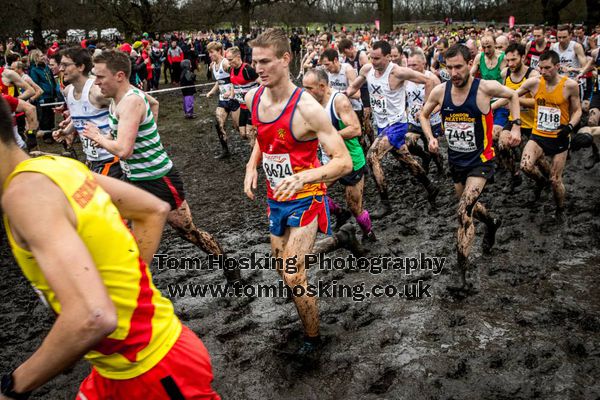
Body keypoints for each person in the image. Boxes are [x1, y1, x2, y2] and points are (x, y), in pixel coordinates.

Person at [0, 97, 221, 400]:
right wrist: (131, 286)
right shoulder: (56, 166)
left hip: (152, 369)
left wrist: (13, 388)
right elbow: (150, 210)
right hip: (118, 368)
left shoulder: (25, 195)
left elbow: (92, 317)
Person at [82, 50, 240, 284]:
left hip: (159, 179)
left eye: (100, 77)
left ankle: (229, 266)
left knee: (188, 232)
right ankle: (129, 284)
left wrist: (99, 137)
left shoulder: (132, 101)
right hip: (134, 179)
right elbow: (154, 103)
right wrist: (147, 130)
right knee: (123, 232)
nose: (96, 83)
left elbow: (124, 150)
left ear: (119, 75)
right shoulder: (116, 98)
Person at [244, 28, 352, 358]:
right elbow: (265, 139)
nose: (258, 68)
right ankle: (338, 241)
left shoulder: (307, 109)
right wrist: (251, 165)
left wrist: (306, 176)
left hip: (307, 198)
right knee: (283, 269)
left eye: (265, 62)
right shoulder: (254, 98)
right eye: (254, 62)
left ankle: (313, 338)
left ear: (285, 59)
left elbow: (343, 162)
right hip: (276, 199)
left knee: (293, 274)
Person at [419, 44, 522, 294]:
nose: (453, 72)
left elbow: (513, 95)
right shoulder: (440, 92)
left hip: (481, 160)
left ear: (470, 63)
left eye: (458, 67)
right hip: (456, 161)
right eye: (449, 67)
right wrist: (430, 137)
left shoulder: (484, 88)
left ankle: (462, 275)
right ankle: (492, 222)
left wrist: (516, 126)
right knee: (470, 208)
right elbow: (422, 115)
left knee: (463, 211)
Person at [345, 40, 439, 219]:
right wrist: (344, 95)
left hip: (397, 125)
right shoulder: (367, 70)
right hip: (381, 124)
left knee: (372, 157)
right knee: (406, 160)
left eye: (378, 58)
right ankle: (430, 187)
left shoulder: (398, 72)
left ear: (388, 57)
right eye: (371, 57)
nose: (373, 62)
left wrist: (425, 108)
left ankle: (385, 203)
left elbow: (428, 81)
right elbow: (355, 85)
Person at [303, 68, 375, 242]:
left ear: (322, 86)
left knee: (355, 207)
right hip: (329, 161)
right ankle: (339, 213)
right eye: (303, 88)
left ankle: (369, 234)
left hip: (351, 161)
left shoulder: (339, 101)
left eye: (308, 88)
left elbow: (356, 129)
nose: (305, 92)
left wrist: (329, 136)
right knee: (312, 193)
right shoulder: (310, 103)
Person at [516, 50, 582, 219]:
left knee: (555, 180)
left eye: (547, 68)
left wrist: (569, 127)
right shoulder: (534, 83)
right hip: (538, 134)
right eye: (541, 68)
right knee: (525, 166)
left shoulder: (570, 85)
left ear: (557, 67)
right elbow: (511, 96)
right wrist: (489, 105)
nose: (543, 72)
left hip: (559, 136)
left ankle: (560, 209)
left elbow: (578, 111)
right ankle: (540, 182)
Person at [52, 47, 122, 178]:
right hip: (92, 159)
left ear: (80, 67)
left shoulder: (97, 92)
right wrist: (66, 131)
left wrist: (115, 136)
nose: (61, 69)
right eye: (61, 65)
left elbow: (130, 105)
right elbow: (80, 117)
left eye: (65, 65)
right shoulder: (67, 91)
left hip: (112, 158)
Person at [493, 42, 539, 192]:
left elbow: (538, 102)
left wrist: (516, 100)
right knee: (502, 144)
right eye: (508, 60)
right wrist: (489, 108)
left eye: (514, 60)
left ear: (523, 57)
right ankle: (515, 176)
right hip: (514, 120)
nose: (510, 64)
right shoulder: (505, 74)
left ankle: (541, 182)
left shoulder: (533, 75)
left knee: (539, 163)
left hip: (534, 122)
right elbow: (505, 97)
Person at [404, 49, 444, 174]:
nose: (411, 68)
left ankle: (439, 165)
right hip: (413, 121)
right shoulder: (406, 78)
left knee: (432, 149)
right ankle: (424, 157)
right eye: (409, 65)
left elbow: (442, 103)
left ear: (424, 63)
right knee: (408, 144)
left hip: (431, 121)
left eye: (414, 65)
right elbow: (405, 99)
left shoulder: (433, 79)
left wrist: (426, 113)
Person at [206, 41, 239, 159]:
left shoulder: (225, 63)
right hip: (222, 100)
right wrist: (212, 91)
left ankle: (255, 148)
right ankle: (225, 151)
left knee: (239, 128)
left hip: (234, 99)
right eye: (209, 52)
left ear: (219, 51)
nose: (210, 55)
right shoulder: (212, 65)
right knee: (218, 124)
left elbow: (235, 77)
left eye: (212, 52)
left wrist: (231, 92)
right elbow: (219, 81)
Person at [226, 46, 259, 146]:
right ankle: (257, 144)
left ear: (238, 57)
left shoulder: (247, 70)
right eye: (228, 60)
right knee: (243, 134)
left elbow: (262, 83)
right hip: (242, 107)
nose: (229, 62)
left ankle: (255, 158)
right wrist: (231, 95)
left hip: (251, 107)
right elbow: (233, 83)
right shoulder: (231, 69)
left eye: (230, 60)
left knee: (250, 134)